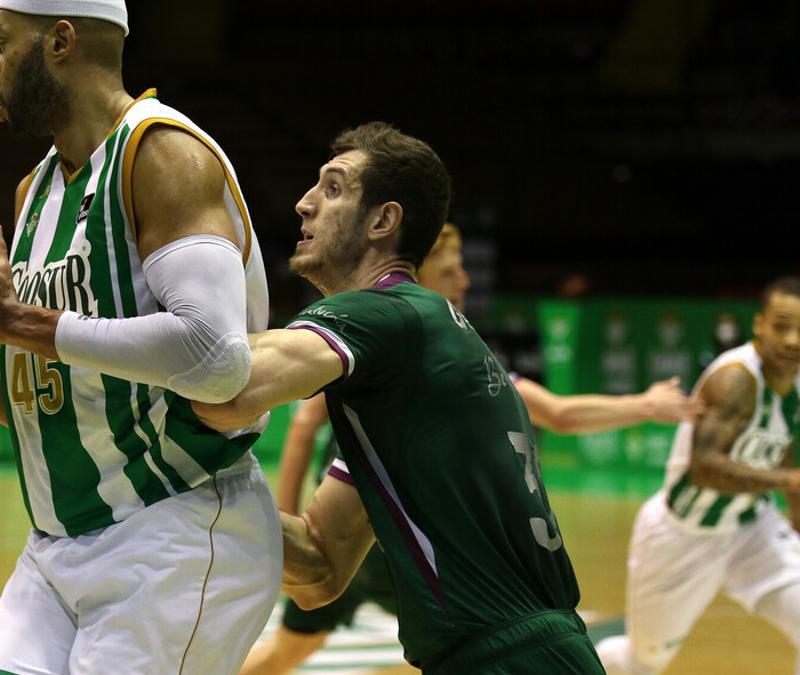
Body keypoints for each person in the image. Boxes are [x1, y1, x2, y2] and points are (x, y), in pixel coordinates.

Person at [0, 2, 280, 673]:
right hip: (56, 545)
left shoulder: (162, 155)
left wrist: (10, 322)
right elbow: (34, 402)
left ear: (61, 41)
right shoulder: (33, 192)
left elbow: (216, 360)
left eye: (3, 44)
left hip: (172, 532)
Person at [193, 121, 604, 673]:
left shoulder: (384, 311)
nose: (303, 204)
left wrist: (97, 338)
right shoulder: (408, 378)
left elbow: (228, 388)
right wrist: (199, 499)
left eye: (333, 188)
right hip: (514, 653)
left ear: (383, 221)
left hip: (509, 659)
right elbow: (319, 567)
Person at [242, 224, 701, 674]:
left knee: (314, 639)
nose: (463, 281)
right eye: (451, 271)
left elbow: (558, 413)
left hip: (410, 544)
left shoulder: (457, 359)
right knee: (310, 634)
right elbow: (303, 423)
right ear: (414, 277)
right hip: (383, 528)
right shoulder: (384, 345)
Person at [596, 277, 800, 675]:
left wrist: (795, 512)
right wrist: (787, 483)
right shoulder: (737, 379)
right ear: (759, 325)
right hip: (682, 536)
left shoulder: (794, 383)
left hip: (749, 529)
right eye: (782, 326)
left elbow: (785, 446)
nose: (793, 340)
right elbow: (705, 468)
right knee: (643, 662)